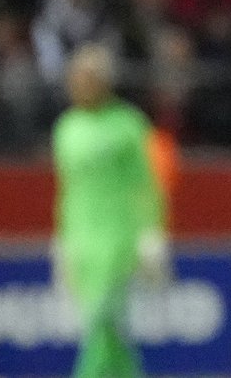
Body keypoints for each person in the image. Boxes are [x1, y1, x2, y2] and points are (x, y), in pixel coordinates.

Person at [52, 44, 169, 378]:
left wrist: (152, 233)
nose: (78, 84)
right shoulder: (66, 128)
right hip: (81, 240)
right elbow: (66, 190)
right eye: (75, 78)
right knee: (111, 330)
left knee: (101, 318)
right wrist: (62, 241)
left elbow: (148, 184)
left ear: (104, 82)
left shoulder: (128, 125)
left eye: (86, 77)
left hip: (119, 238)